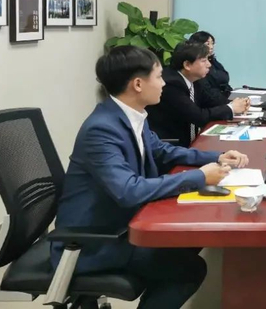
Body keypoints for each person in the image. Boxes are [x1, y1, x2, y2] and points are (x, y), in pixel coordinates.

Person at [51, 46, 249, 309]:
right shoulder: (102, 129)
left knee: (189, 243)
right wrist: (200, 177)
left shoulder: (130, 114)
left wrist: (217, 156)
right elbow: (129, 191)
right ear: (137, 84)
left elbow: (162, 150)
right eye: (158, 76)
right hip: (93, 242)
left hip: (120, 224)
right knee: (188, 270)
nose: (164, 83)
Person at [147, 41, 249, 147]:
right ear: (187, 65)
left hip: (190, 143)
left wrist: (238, 104)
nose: (209, 65)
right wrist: (231, 108)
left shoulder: (195, 79)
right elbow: (198, 117)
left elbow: (212, 101)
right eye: (204, 61)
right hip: (171, 146)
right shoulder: (171, 84)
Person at [190, 31, 233, 104]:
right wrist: (230, 103)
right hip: (213, 103)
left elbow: (225, 81)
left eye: (212, 43)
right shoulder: (197, 66)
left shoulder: (214, 62)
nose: (211, 47)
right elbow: (207, 92)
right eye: (207, 44)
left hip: (225, 99)